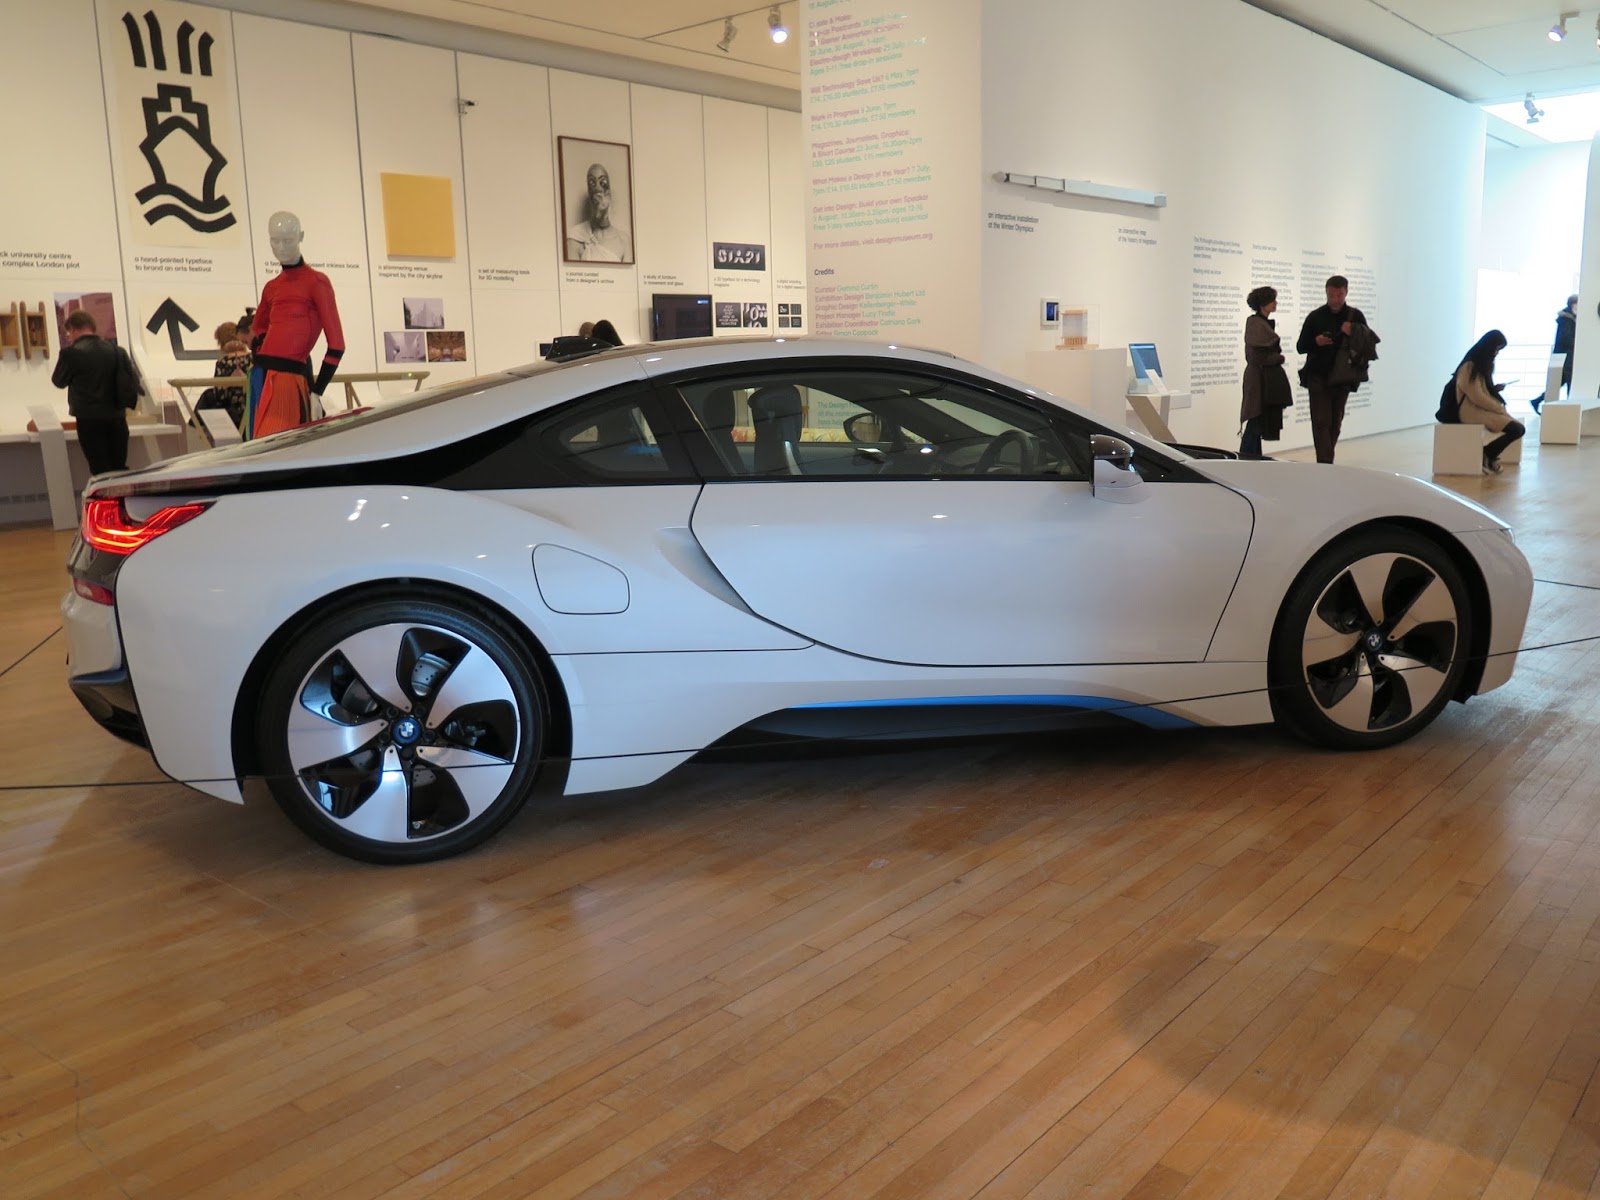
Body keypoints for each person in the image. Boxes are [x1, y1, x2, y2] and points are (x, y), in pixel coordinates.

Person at [247, 211, 345, 439]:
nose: (280, 247)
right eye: (275, 240)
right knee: (260, 446)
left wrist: (317, 390)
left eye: (288, 240)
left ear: (300, 237)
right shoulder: (272, 286)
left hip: (288, 380)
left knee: (275, 447)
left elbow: (337, 344)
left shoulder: (317, 282)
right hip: (261, 376)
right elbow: (258, 328)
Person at [50, 311, 137, 475]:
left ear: (73, 329)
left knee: (100, 469)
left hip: (88, 419)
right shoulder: (117, 351)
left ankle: (103, 493)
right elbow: (132, 380)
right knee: (119, 468)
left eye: (69, 333)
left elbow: (58, 382)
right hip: (117, 417)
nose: (69, 337)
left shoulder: (71, 353)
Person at [1295, 274, 1368, 463]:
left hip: (1343, 377)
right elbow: (1301, 346)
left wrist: (1353, 331)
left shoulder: (1355, 316)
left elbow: (1367, 344)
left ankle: (1326, 461)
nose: (1335, 300)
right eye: (1331, 295)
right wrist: (1316, 342)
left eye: (1339, 295)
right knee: (1321, 421)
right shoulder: (1315, 316)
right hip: (1318, 375)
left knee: (1335, 421)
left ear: (1346, 292)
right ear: (1326, 293)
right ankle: (1325, 463)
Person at [1455, 329, 1524, 474]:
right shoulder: (1469, 367)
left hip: (1480, 410)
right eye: (1496, 349)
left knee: (1517, 429)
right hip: (1472, 412)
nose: (1496, 353)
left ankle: (1489, 455)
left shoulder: (1477, 366)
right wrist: (1499, 409)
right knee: (1517, 429)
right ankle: (1487, 454)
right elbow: (1477, 396)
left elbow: (1480, 393)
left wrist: (1494, 390)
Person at [1239, 286, 1293, 459]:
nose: (1275, 303)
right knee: (1255, 418)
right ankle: (1247, 458)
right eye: (1272, 300)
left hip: (1263, 377)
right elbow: (1256, 356)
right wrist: (1278, 358)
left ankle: (1253, 458)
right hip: (1258, 378)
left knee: (1258, 420)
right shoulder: (1256, 324)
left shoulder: (1260, 323)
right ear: (1263, 304)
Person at [565, 163, 633, 262]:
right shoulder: (576, 237)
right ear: (589, 192)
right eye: (592, 183)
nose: (598, 189)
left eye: (603, 182)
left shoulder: (624, 240)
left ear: (609, 191)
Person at [1531, 294, 1578, 414]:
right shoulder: (1567, 319)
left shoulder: (1567, 318)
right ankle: (1570, 410)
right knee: (1568, 382)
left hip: (1562, 356)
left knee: (1559, 382)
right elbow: (1566, 339)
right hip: (1567, 356)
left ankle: (1537, 401)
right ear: (1573, 304)